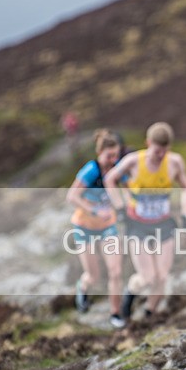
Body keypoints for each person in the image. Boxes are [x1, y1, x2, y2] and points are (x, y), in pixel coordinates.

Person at [104, 122, 186, 322]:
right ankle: (129, 297)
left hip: (164, 225)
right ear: (148, 143)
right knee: (147, 277)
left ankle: (148, 315)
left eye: (164, 151)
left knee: (162, 277)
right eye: (156, 151)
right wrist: (119, 208)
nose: (160, 155)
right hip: (138, 226)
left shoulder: (175, 162)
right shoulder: (133, 161)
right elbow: (109, 179)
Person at [66, 129, 125, 329]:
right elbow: (72, 196)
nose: (113, 160)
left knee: (115, 271)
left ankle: (116, 314)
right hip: (84, 227)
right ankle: (82, 288)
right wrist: (93, 210)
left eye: (116, 155)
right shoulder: (91, 170)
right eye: (109, 156)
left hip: (108, 227)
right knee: (94, 275)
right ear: (100, 153)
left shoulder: (117, 169)